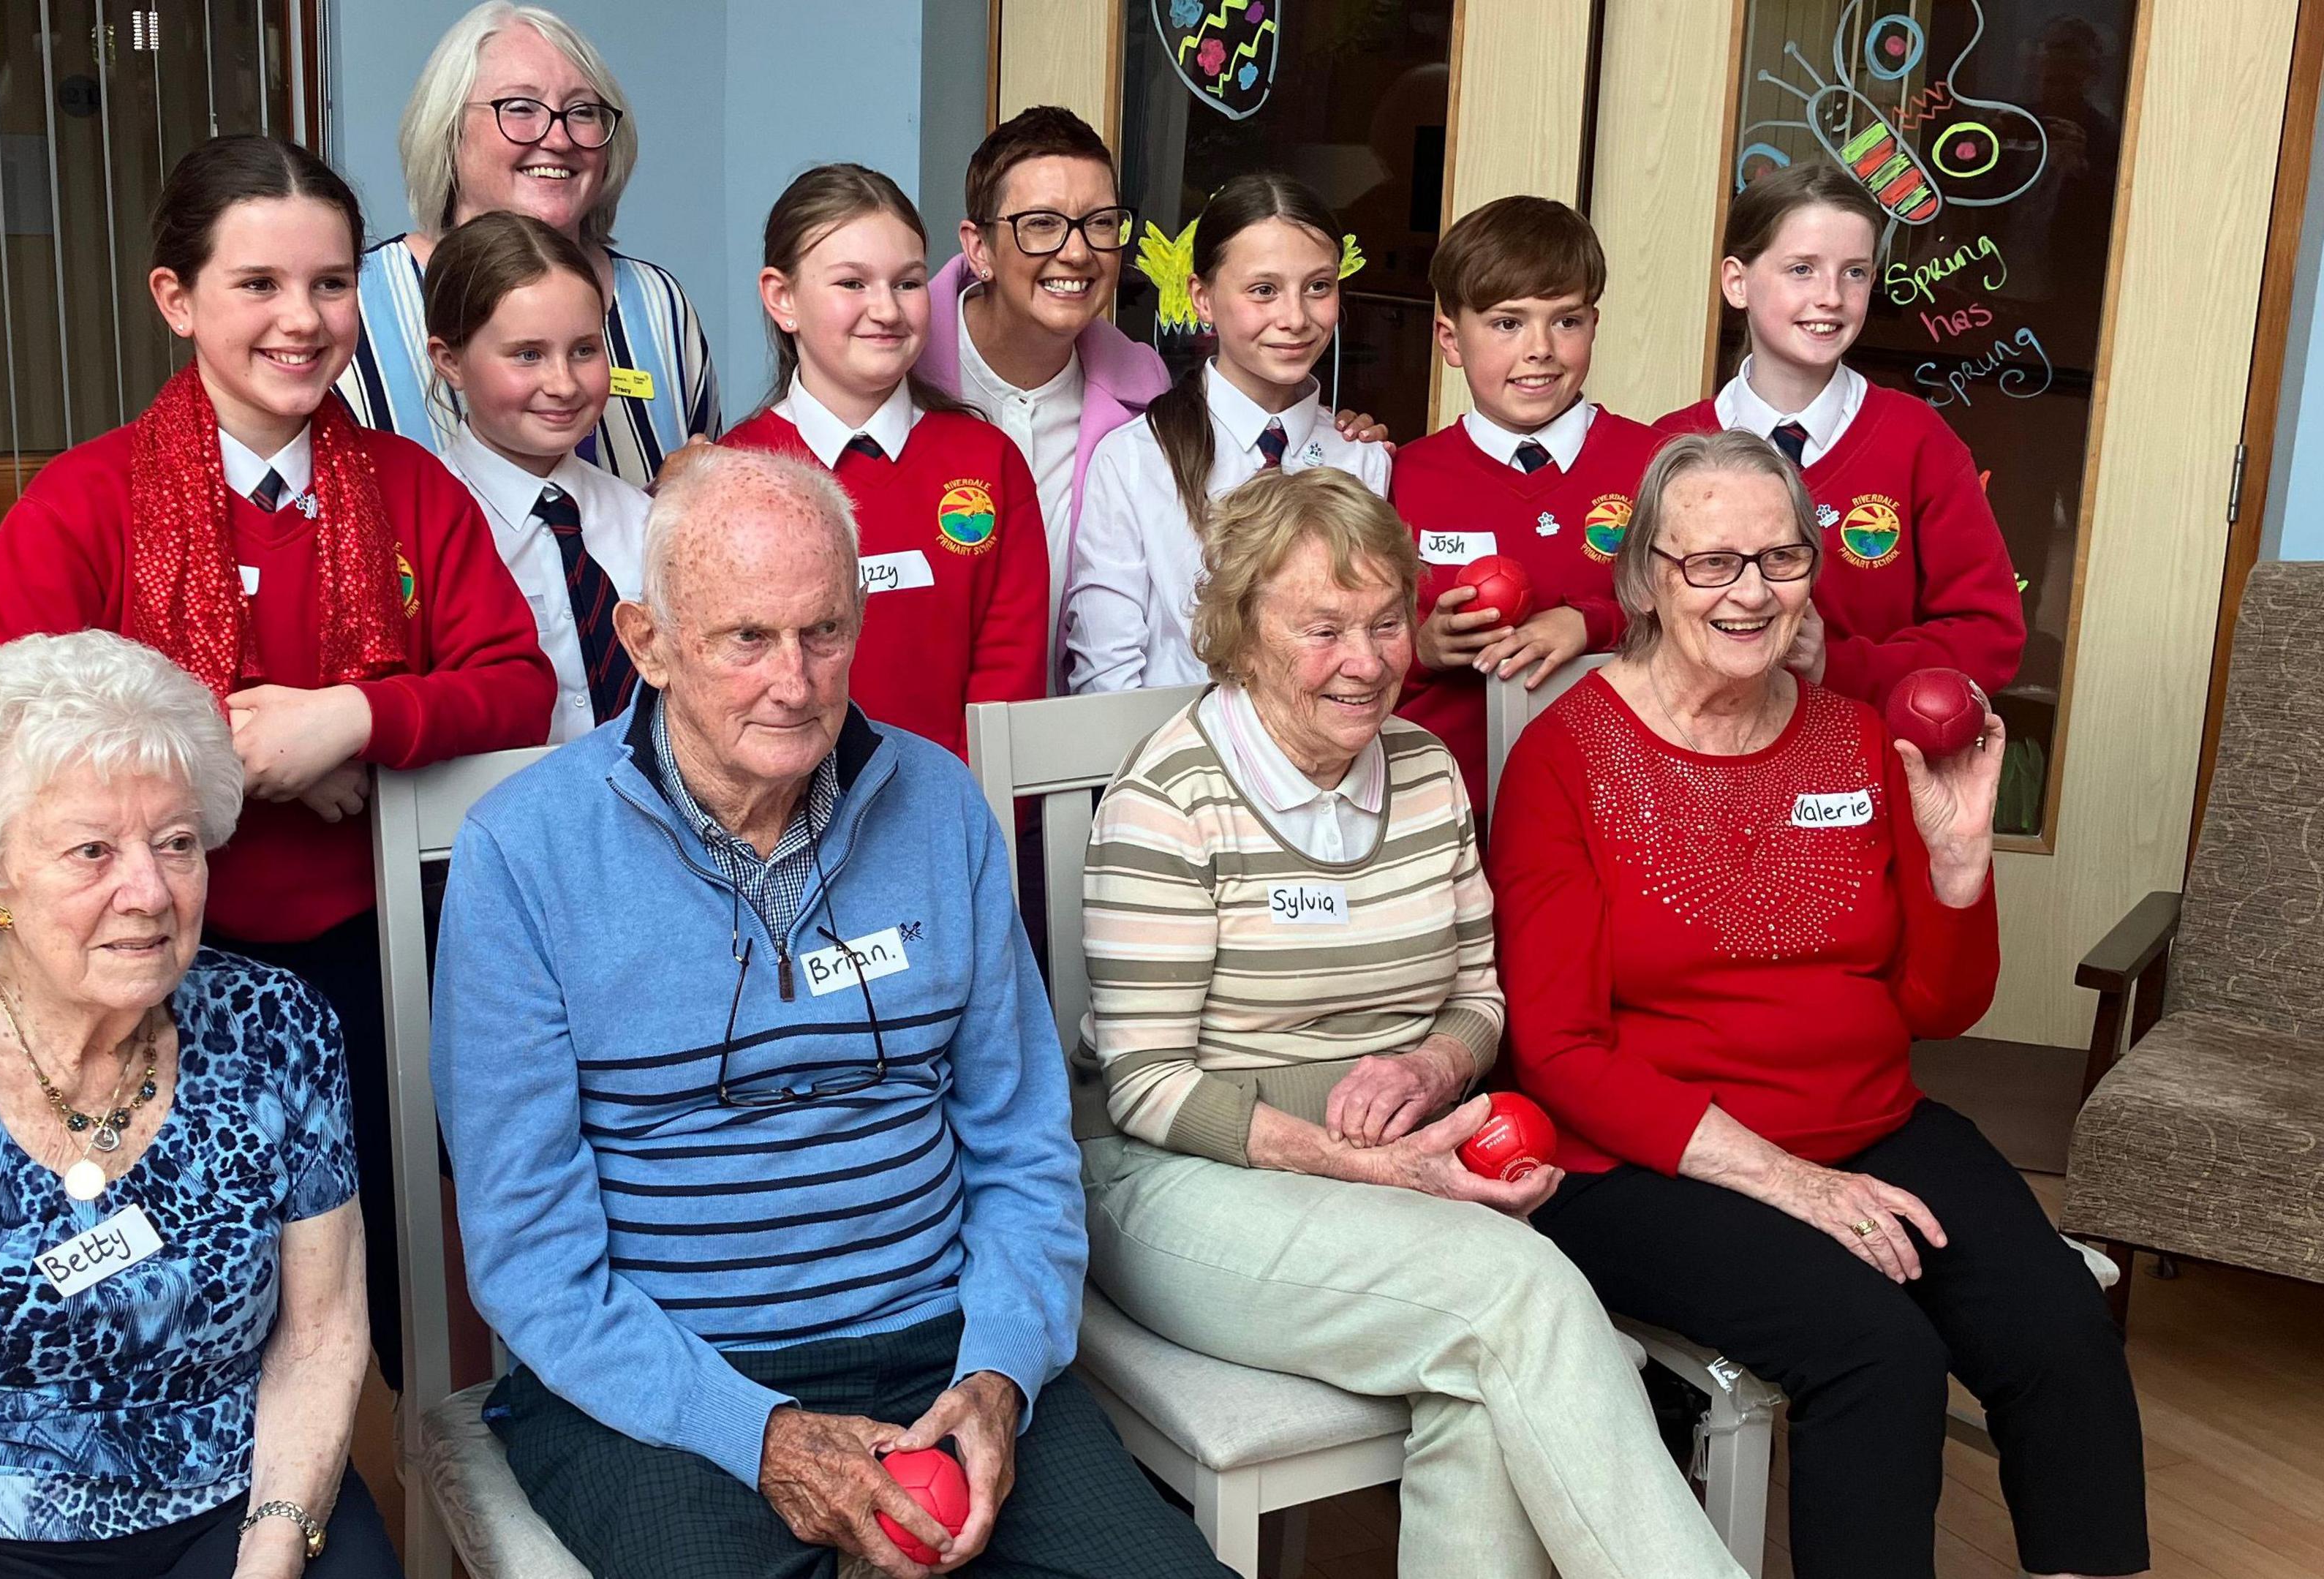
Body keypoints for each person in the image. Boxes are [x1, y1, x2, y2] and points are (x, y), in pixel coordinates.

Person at [439, 445, 1232, 1579]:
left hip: (941, 1354)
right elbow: (530, 1259)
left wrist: (1002, 1364)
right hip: (662, 1380)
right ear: (648, 642)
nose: (797, 681)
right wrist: (754, 1430)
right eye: (746, 638)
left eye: (824, 631)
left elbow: (1020, 1146)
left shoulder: (940, 806)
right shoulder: (524, 853)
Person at [1491, 431, 2146, 1579]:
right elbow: (1557, 1049)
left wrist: (1957, 873)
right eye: (1713, 563)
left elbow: (1937, 1004)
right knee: (1877, 1354)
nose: (1753, 592)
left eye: (1782, 557)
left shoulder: (1856, 734)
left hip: (1873, 1118)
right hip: (1642, 1165)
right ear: (1644, 576)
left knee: (2060, 1326)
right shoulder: (1566, 758)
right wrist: (1792, 1181)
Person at [1076, 468, 1747, 1579]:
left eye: (1388, 621)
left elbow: (1480, 1000)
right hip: (1178, 1181)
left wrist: (1432, 1061)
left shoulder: (1428, 772)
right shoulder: (1170, 798)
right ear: (1244, 633)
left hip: (1391, 1167)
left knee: (1487, 1389)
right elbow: (1145, 1085)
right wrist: (1362, 1161)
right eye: (1324, 627)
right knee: (1520, 1292)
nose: (1369, 657)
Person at [0, 135, 554, 1391]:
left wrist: (350, 719)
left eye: (332, 284)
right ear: (176, 298)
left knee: (411, 1283)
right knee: (168, 1305)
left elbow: (518, 686)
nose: (303, 319)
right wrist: (241, 757)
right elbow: (6, 738)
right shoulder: (81, 505)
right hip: (142, 984)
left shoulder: (411, 489)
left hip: (376, 964)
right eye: (260, 285)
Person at [0, 630, 395, 1579]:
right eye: (92, 850)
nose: (149, 889)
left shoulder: (278, 1027)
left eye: (176, 842)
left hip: (233, 1494)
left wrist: (272, 1540)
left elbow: (320, 1334)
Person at [917, 108, 1392, 688]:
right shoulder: (898, 378)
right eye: (1041, 223)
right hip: (927, 720)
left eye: (1099, 223)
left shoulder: (1143, 394)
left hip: (1056, 730)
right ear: (979, 247)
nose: (1075, 252)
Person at [1653, 164, 2024, 709]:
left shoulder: (1919, 442)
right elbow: (1634, 619)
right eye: (1801, 269)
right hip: (1707, 757)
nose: (1830, 296)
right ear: (1737, 282)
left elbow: (1990, 636)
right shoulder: (1671, 444)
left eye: (1854, 272)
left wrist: (1837, 664)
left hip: (1868, 760)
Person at [720, 163, 1048, 759]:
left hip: (952, 825)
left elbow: (1009, 688)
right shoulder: (730, 474)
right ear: (782, 297)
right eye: (851, 284)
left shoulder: (987, 463)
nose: (887, 310)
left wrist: (960, 826)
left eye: (907, 283)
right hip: (773, 834)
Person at [340, 1, 716, 489]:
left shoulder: (658, 303)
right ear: (448, 131)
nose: (558, 138)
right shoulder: (359, 304)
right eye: (520, 108)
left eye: (582, 112)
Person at [1061, 173, 1390, 695]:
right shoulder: (1134, 461)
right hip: (1171, 763)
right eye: (1264, 290)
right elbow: (1107, 674)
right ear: (1203, 298)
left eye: (1318, 287)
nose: (1296, 318)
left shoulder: (1365, 461)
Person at [1391, 195, 1659, 810]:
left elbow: (1704, 617)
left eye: (1566, 321)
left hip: (1614, 802)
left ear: (1595, 324)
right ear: (1450, 340)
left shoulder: (1657, 465)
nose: (1540, 348)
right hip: (1440, 808)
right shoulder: (1402, 475)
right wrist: (1423, 648)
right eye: (1507, 323)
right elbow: (1353, 643)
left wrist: (1593, 624)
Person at [426, 210, 646, 742]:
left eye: (584, 351)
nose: (564, 383)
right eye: (528, 354)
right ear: (449, 361)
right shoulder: (426, 532)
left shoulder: (644, 522)